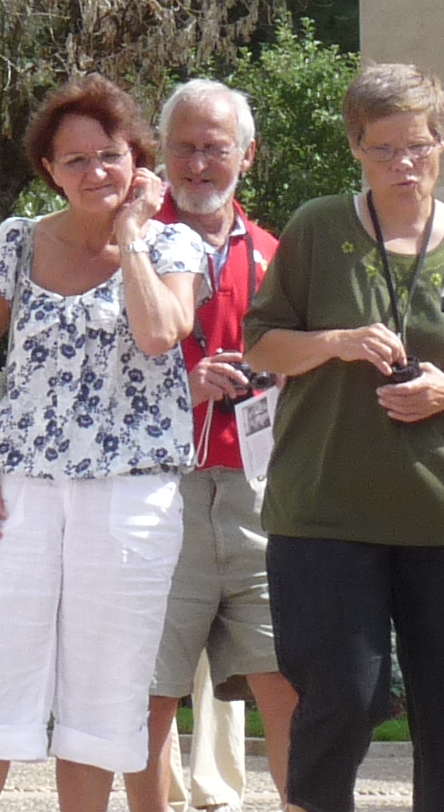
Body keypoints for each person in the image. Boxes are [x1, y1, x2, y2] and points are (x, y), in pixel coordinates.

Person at [0, 75, 211, 812]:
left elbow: (160, 334)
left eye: (109, 155)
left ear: (137, 160)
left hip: (131, 497)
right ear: (49, 170)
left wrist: (131, 237)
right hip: (17, 494)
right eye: (76, 160)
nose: (95, 173)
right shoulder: (18, 240)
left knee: (104, 705)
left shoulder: (174, 244)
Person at [242, 61, 444, 812]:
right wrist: (336, 342)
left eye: (418, 146)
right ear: (356, 148)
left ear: (442, 141)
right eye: (382, 149)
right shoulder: (319, 226)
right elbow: (261, 345)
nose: (403, 164)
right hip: (325, 513)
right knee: (341, 704)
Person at [126, 78, 296, 812]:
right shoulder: (128, 243)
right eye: (183, 148)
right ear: (161, 153)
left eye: (215, 149)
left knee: (286, 681)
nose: (198, 165)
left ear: (247, 155)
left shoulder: (277, 255)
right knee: (150, 691)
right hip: (160, 489)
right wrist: (185, 387)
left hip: (258, 490)